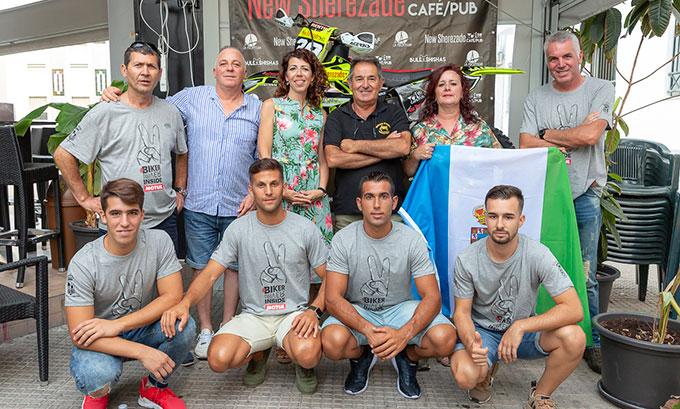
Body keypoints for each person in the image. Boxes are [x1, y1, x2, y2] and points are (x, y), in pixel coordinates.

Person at [102, 46, 261, 361]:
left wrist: (255, 192)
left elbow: (262, 154)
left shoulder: (257, 108)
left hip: (239, 203)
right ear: (214, 72)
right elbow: (147, 103)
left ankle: (227, 324)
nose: (230, 69)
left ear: (245, 73)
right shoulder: (191, 98)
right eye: (223, 64)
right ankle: (205, 328)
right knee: (200, 266)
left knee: (234, 267)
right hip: (199, 203)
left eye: (237, 65)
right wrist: (114, 94)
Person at [161, 159, 328, 394]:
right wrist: (184, 304)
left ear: (284, 187)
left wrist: (314, 310)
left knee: (308, 354)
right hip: (254, 316)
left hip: (293, 315)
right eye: (261, 185)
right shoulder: (238, 229)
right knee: (217, 358)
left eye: (274, 184)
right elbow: (209, 275)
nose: (268, 191)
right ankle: (258, 353)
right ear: (251, 190)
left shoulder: (304, 228)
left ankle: (301, 363)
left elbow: (331, 277)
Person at [518, 30, 614, 373]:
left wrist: (547, 134)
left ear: (579, 56)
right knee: (539, 267)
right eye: (553, 58)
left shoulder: (600, 89)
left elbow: (591, 135)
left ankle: (593, 342)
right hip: (547, 193)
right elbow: (524, 142)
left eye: (566, 57)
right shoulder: (536, 96)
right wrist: (556, 137)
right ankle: (542, 331)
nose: (560, 64)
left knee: (586, 272)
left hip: (585, 191)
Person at [321, 171, 456, 399]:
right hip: (360, 309)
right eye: (369, 197)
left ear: (394, 202)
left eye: (383, 197)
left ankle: (407, 358)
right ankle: (362, 355)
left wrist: (404, 334)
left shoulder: (411, 239)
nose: (376, 204)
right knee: (332, 342)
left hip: (399, 310)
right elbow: (333, 298)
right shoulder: (343, 239)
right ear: (359, 203)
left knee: (445, 339)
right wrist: (366, 330)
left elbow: (432, 297)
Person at [450, 185, 586, 408]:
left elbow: (574, 309)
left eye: (508, 217)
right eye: (493, 216)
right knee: (466, 375)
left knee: (575, 337)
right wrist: (471, 343)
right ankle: (485, 372)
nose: (500, 224)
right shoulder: (467, 259)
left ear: (521, 220)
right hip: (483, 334)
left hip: (524, 335)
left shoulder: (537, 253)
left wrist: (521, 326)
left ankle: (540, 394)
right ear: (485, 218)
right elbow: (461, 313)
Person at [65, 178, 196, 409]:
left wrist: (119, 325)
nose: (124, 222)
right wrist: (142, 352)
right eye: (115, 213)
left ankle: (154, 387)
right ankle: (98, 393)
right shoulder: (84, 262)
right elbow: (78, 334)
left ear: (142, 215)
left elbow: (172, 297)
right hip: (99, 337)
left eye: (132, 213)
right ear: (103, 216)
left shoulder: (159, 241)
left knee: (184, 326)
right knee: (96, 372)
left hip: (137, 327)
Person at [55, 41, 188, 254]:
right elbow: (63, 154)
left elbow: (182, 152)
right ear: (124, 70)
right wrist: (84, 199)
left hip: (163, 220)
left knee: (165, 285)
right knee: (118, 285)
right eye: (138, 65)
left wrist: (180, 190)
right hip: (119, 223)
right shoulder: (105, 112)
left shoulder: (170, 112)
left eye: (151, 66)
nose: (145, 72)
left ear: (160, 73)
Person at [257, 48, 332, 364]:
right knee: (283, 263)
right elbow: (263, 154)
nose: (299, 74)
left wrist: (320, 189)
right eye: (293, 68)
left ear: (313, 76)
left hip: (314, 197)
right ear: (284, 75)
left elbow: (322, 158)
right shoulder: (271, 106)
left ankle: (309, 328)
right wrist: (282, 191)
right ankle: (281, 333)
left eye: (306, 69)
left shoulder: (320, 114)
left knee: (319, 265)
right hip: (281, 195)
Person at [323, 56, 411, 231]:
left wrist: (354, 146)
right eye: (359, 79)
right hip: (347, 213)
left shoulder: (395, 113)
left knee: (392, 258)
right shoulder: (336, 117)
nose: (365, 85)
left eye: (371, 78)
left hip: (391, 212)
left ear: (381, 83)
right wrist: (385, 149)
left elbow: (402, 147)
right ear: (349, 83)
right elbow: (334, 159)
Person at [403, 64, 501, 178]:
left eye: (453, 84)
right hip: (435, 195)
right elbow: (406, 173)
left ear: (462, 93)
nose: (447, 88)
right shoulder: (420, 130)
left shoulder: (479, 128)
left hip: (471, 194)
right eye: (441, 84)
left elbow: (500, 162)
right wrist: (415, 156)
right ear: (434, 94)